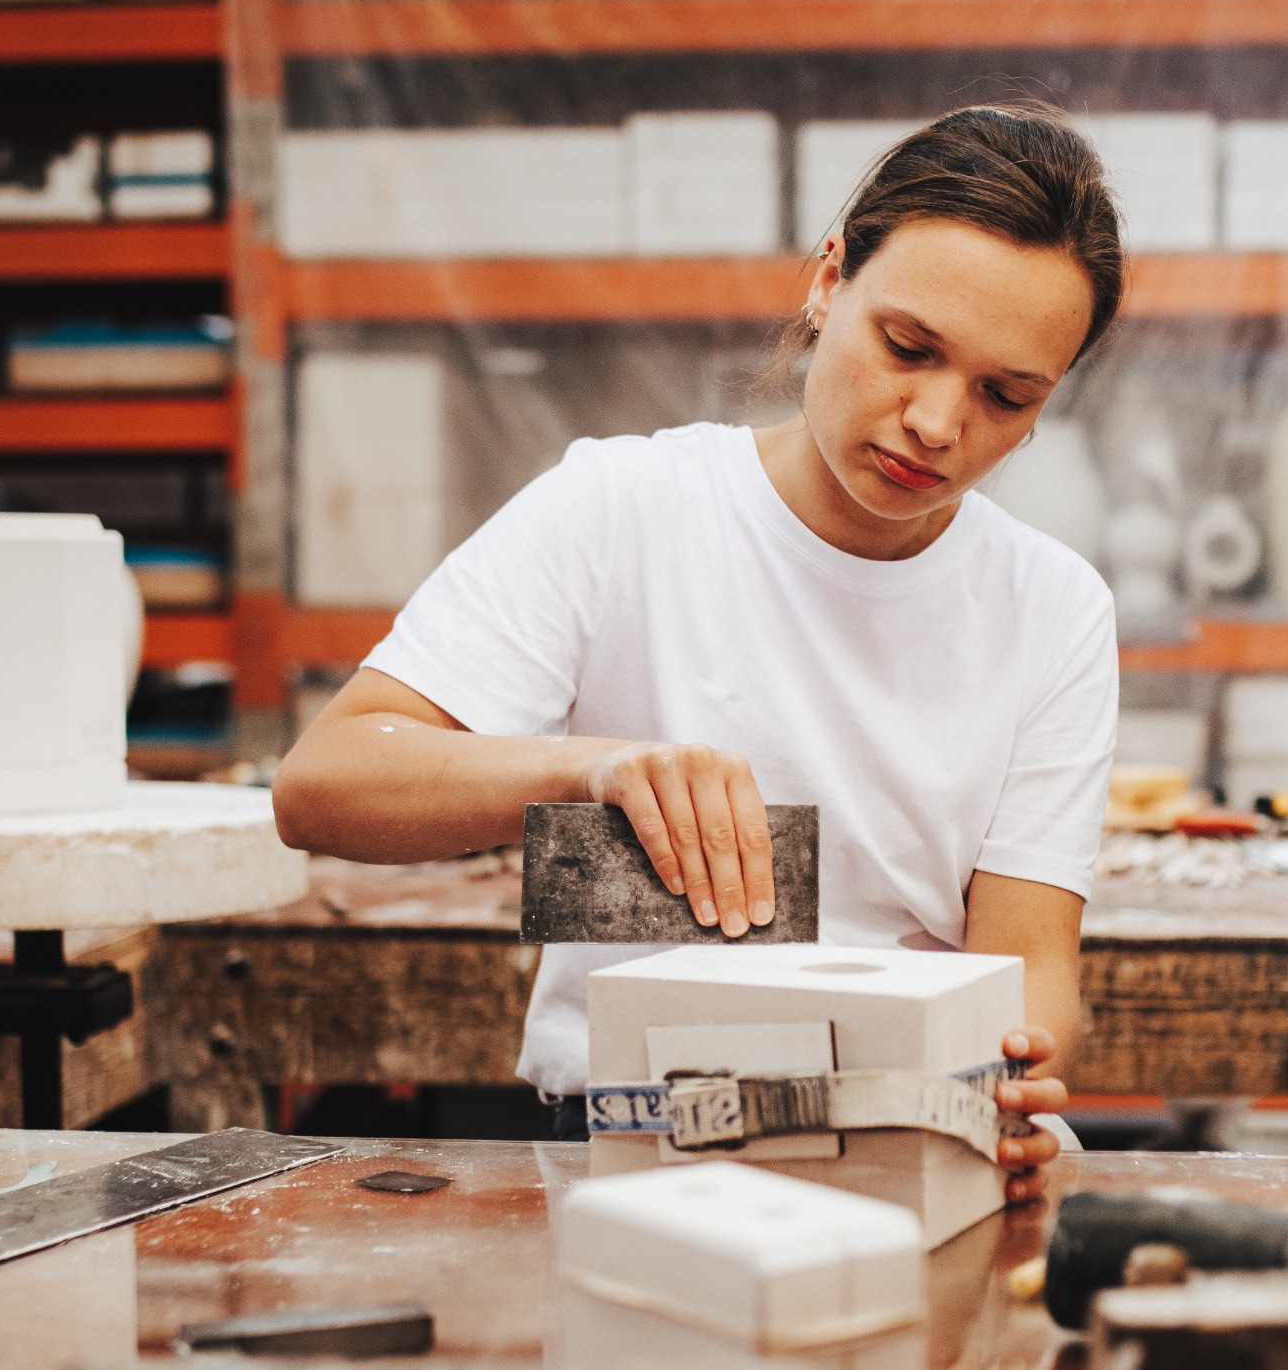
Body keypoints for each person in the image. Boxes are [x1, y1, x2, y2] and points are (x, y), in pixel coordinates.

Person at [273, 102, 1125, 1202]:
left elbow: (1030, 958)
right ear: (831, 282)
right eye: (908, 348)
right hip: (624, 1149)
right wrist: (591, 768)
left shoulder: (1052, 608)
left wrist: (1010, 1071)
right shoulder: (624, 508)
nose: (935, 420)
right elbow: (324, 785)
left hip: (909, 1137)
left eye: (1007, 395)